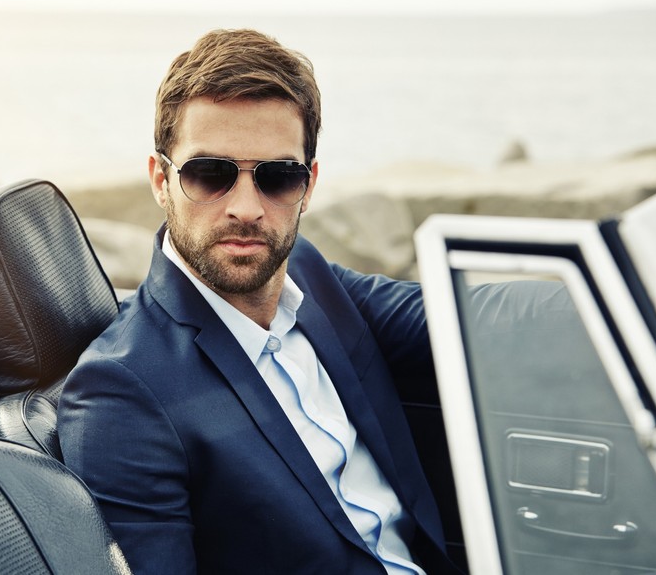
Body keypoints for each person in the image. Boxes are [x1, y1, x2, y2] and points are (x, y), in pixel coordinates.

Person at [58, 28, 462, 574]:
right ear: (160, 179)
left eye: (277, 177)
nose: (246, 207)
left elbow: (465, 320)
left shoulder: (315, 277)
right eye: (209, 174)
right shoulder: (121, 390)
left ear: (309, 185)